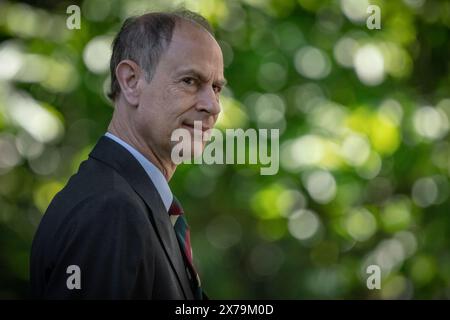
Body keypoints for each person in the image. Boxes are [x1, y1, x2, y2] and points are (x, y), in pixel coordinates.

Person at [30, 9, 225, 299]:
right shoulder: (110, 210)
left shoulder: (128, 199)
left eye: (216, 87)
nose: (213, 105)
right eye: (190, 81)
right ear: (131, 81)